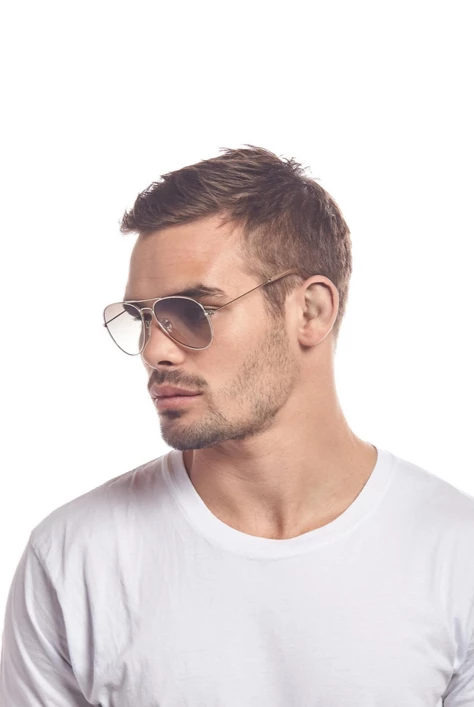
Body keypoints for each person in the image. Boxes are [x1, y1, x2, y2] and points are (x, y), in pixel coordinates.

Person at [1, 145, 473, 706]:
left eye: (192, 311)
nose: (155, 351)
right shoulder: (75, 558)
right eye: (143, 318)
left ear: (310, 311)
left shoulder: (455, 554)